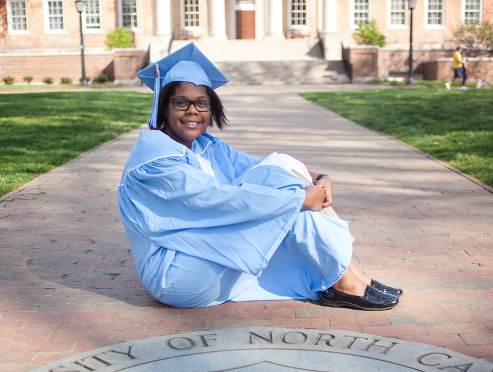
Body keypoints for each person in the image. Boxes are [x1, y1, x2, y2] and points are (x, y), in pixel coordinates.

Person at [117, 43, 402, 311]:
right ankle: (346, 279)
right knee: (287, 195)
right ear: (162, 107)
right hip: (177, 273)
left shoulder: (206, 146)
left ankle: (349, 276)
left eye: (202, 103)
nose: (193, 110)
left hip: (207, 254)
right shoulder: (155, 161)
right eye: (180, 102)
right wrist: (300, 197)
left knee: (282, 172)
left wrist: (319, 178)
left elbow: (263, 165)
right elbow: (219, 200)